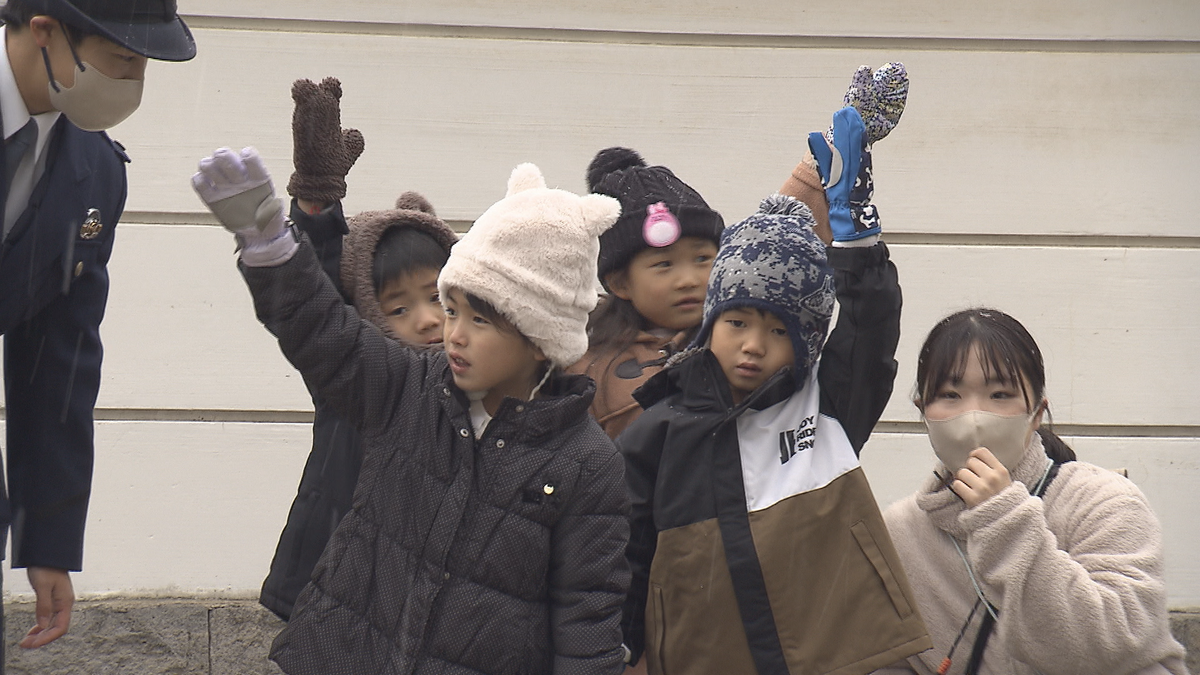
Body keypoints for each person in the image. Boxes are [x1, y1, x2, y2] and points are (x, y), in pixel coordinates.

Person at [192, 151, 631, 674]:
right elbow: (324, 331)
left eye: (481, 319)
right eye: (453, 310)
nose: (454, 333)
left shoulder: (587, 463)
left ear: (541, 340)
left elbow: (587, 617)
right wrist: (271, 246)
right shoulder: (408, 387)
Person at [617, 102, 930, 674]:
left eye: (778, 329)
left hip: (837, 655)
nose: (753, 345)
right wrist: (625, 649)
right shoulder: (658, 428)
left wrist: (857, 244)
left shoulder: (827, 403)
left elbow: (870, 330)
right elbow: (629, 554)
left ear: (807, 342)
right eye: (737, 323)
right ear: (712, 324)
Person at [0, 0, 194, 655]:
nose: (131, 86)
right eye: (122, 63)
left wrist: (48, 538)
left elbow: (58, 357)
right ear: (45, 32)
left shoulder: (97, 171)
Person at [871, 308, 1189, 675]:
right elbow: (889, 660)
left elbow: (1115, 646)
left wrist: (1004, 519)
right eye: (950, 395)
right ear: (922, 411)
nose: (974, 416)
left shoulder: (1104, 502)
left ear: (1037, 413)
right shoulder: (900, 531)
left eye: (1000, 394)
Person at [258, 77, 460, 621]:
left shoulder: (483, 380)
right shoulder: (354, 376)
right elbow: (312, 291)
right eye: (398, 307)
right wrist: (316, 202)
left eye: (438, 299)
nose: (426, 321)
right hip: (335, 585)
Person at [567, 148, 724, 439]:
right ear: (620, 284)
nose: (688, 280)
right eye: (664, 264)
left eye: (703, 259)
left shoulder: (739, 340)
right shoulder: (584, 367)